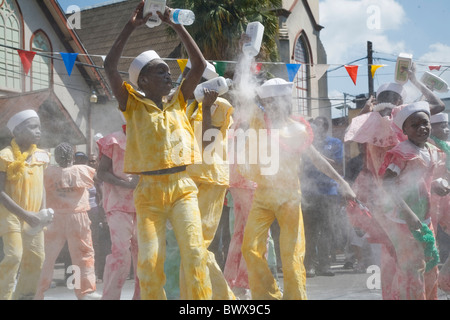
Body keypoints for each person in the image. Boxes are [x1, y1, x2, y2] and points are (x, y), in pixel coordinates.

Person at [103, 1, 212, 300]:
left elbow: (199, 66)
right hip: (148, 192)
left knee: (194, 252)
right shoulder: (132, 105)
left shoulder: (179, 100)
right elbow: (109, 67)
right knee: (149, 264)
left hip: (182, 188)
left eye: (169, 73)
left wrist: (176, 25)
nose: (169, 77)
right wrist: (131, 26)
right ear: (144, 81)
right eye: (161, 73)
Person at [240, 78, 356, 300]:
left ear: (287, 101)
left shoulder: (297, 128)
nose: (273, 105)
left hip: (289, 197)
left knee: (292, 254)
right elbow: (245, 97)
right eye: (268, 101)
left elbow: (318, 159)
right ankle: (268, 296)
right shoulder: (257, 121)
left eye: (278, 100)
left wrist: (342, 182)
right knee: (250, 249)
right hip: (262, 195)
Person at [379, 101, 449, 300]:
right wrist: (408, 214)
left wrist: (436, 185)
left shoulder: (430, 150)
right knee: (412, 270)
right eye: (415, 125)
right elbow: (388, 185)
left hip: (424, 219)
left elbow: (419, 183)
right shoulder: (401, 153)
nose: (422, 128)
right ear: (405, 130)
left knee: (430, 265)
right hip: (404, 222)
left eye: (425, 123)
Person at [181, 61, 235, 300]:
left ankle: (224, 299)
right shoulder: (187, 107)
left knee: (197, 245)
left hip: (212, 180)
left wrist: (206, 108)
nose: (184, 80)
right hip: (190, 179)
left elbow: (208, 142)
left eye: (189, 76)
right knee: (190, 248)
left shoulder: (220, 105)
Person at [34, 142, 101, 300]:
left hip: (54, 218)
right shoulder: (82, 170)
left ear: (56, 157)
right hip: (77, 217)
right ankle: (85, 292)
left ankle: (37, 291)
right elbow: (100, 178)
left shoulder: (48, 171)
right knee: (82, 255)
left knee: (46, 256)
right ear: (72, 156)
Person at [0, 110, 51, 300]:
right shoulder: (5, 156)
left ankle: (24, 296)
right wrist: (26, 215)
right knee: (14, 256)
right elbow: (0, 192)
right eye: (33, 127)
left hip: (35, 216)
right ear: (17, 131)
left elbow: (42, 186)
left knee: (37, 259)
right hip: (10, 214)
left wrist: (43, 212)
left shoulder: (42, 156)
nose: (38, 131)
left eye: (39, 127)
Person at [96, 125, 140, 300]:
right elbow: (101, 173)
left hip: (145, 204)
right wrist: (126, 183)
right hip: (118, 204)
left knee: (144, 256)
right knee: (121, 253)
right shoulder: (114, 140)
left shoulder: (150, 136)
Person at [301, 116, 344, 277]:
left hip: (329, 192)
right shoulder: (306, 144)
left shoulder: (335, 143)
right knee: (309, 230)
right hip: (309, 192)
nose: (315, 129)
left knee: (327, 230)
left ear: (325, 128)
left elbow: (337, 164)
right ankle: (309, 265)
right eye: (313, 126)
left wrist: (318, 157)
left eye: (319, 126)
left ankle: (324, 265)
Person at [428, 113, 450, 264]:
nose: (447, 129)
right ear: (431, 128)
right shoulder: (426, 145)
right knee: (433, 234)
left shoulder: (447, 145)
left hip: (446, 197)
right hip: (430, 198)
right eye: (442, 126)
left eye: (447, 125)